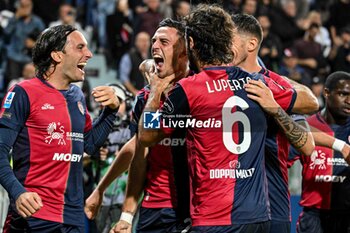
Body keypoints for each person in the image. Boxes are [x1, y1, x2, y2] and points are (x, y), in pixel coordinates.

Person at [137, 4, 299, 232]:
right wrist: (275, 106)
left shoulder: (189, 89)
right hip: (258, 218)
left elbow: (147, 135)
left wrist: (154, 91)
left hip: (213, 218)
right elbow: (306, 101)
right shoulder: (259, 82)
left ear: (191, 44)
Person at [0, 24, 120, 232]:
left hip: (73, 218)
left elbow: (89, 145)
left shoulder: (77, 96)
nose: (89, 54)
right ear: (57, 55)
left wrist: (110, 111)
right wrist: (17, 192)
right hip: (33, 216)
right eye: (80, 47)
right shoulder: (23, 92)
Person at [87, 18, 191, 233]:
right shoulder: (146, 97)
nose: (154, 46)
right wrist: (122, 212)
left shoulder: (197, 91)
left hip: (195, 206)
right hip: (155, 207)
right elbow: (139, 148)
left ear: (183, 51)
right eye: (154, 41)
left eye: (164, 41)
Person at [230, 13, 318, 233]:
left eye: (229, 40)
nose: (223, 46)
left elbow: (308, 140)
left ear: (251, 44)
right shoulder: (216, 83)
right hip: (228, 207)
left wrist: (275, 107)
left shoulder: (276, 85)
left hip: (272, 204)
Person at [288, 71, 350, 233]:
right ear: (326, 93)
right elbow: (280, 161)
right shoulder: (306, 126)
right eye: (343, 94)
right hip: (313, 216)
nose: (349, 101)